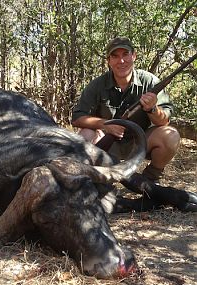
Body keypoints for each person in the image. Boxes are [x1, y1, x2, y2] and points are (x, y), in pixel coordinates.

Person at [71, 37, 180, 182]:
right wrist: (105, 125)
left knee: (170, 135)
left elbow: (164, 121)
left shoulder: (150, 81)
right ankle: (90, 178)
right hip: (107, 143)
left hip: (140, 142)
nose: (121, 61)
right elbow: (77, 118)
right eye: (115, 56)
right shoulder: (97, 85)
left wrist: (152, 109)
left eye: (125, 54)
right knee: (85, 135)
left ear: (134, 56)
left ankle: (150, 180)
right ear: (108, 61)